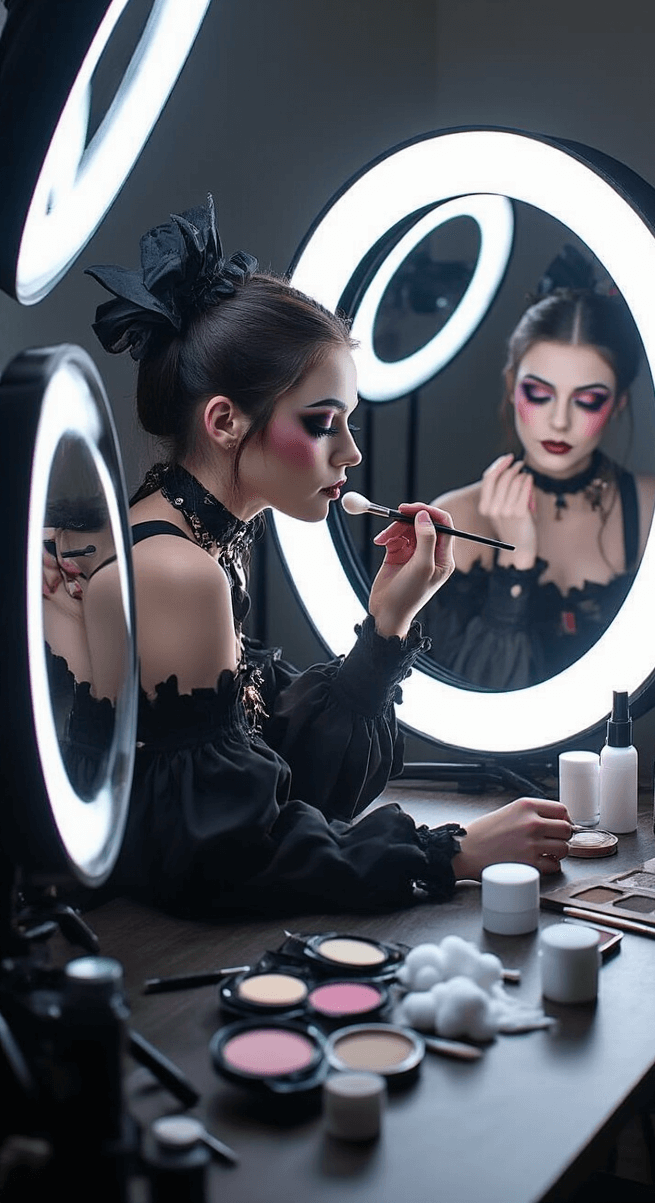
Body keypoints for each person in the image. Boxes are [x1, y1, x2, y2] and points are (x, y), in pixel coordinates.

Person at [78, 196, 571, 916]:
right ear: (224, 422)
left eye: (350, 424)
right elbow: (232, 858)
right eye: (323, 425)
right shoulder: (176, 571)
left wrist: (388, 622)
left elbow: (280, 783)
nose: (352, 453)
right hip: (125, 958)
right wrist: (455, 851)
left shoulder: (202, 540)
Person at [425, 246, 655, 690]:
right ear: (512, 387)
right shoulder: (457, 518)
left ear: (618, 404)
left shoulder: (651, 507)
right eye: (540, 393)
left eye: (587, 399)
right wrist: (517, 558)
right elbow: (478, 702)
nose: (560, 420)